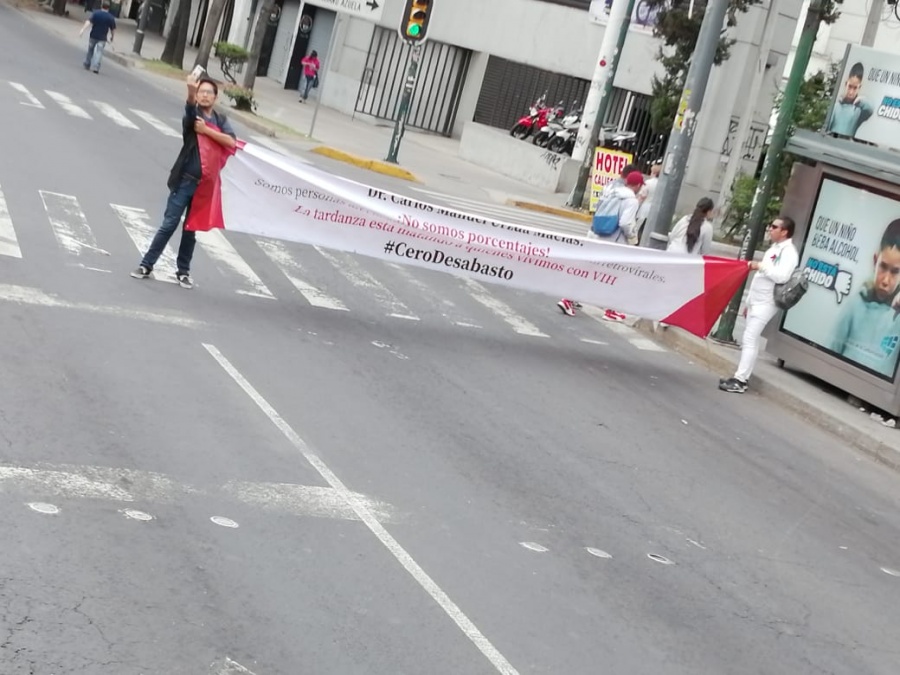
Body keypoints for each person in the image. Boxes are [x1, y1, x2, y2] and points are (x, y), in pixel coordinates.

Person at [131, 75, 237, 289]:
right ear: (197, 95)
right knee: (169, 224)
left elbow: (231, 141)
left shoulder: (220, 120)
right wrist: (190, 92)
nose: (205, 95)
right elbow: (189, 112)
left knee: (191, 229)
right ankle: (146, 265)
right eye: (202, 92)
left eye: (209, 92)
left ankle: (183, 272)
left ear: (215, 97)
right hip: (185, 182)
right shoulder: (193, 116)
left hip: (205, 185)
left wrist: (207, 131)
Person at [720, 215, 799, 393]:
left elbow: (782, 276)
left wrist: (761, 266)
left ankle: (740, 380)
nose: (770, 229)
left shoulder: (789, 253)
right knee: (750, 340)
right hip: (757, 300)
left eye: (775, 227)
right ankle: (741, 377)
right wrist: (748, 302)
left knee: (749, 338)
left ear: (784, 231)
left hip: (768, 301)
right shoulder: (774, 248)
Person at [557, 170, 644, 319]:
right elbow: (625, 222)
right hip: (614, 242)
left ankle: (569, 299)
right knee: (614, 277)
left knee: (590, 272)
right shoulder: (631, 201)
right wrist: (632, 238)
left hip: (599, 235)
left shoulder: (612, 192)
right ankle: (610, 310)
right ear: (637, 185)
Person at [829, 219, 900, 377]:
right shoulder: (856, 304)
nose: (886, 281)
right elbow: (832, 348)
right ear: (875, 261)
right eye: (883, 267)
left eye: (895, 272)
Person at [825, 62, 873, 138]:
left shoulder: (858, 111)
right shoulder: (836, 107)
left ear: (859, 87)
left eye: (855, 88)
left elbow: (870, 110)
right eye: (849, 86)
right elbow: (825, 129)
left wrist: (861, 101)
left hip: (846, 146)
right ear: (846, 84)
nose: (851, 92)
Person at [78, 0, 116, 74]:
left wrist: (82, 29)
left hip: (93, 35)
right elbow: (113, 29)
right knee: (99, 52)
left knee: (90, 50)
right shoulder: (111, 17)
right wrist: (112, 37)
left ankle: (87, 64)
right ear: (108, 8)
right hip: (102, 38)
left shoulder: (96, 13)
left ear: (102, 6)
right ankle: (96, 67)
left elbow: (88, 22)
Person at [636, 162, 661, 242]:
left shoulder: (648, 183)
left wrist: (636, 206)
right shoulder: (662, 184)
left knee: (638, 227)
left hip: (645, 207)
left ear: (654, 172)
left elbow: (642, 196)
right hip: (655, 210)